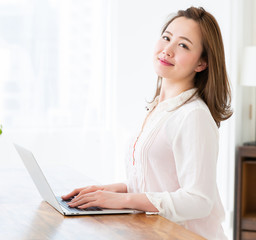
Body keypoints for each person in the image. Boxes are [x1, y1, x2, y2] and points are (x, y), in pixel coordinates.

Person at [62, 6, 232, 240]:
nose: (168, 50)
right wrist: (108, 191)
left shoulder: (193, 115)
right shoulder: (159, 110)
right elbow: (157, 181)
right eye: (166, 38)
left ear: (201, 63)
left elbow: (199, 200)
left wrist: (123, 200)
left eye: (183, 45)